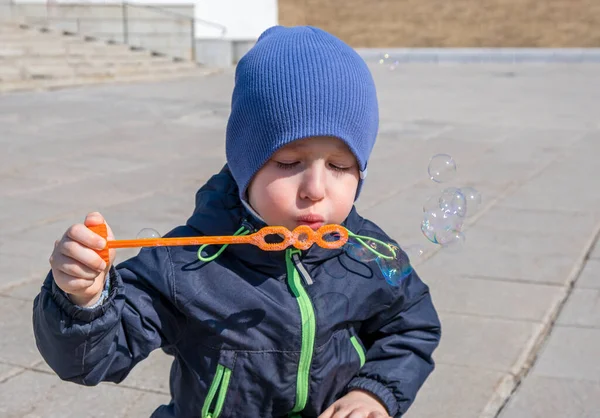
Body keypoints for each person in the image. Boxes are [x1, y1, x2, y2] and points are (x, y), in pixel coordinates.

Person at [33, 25, 441, 418]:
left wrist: (375, 392)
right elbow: (89, 361)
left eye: (339, 165)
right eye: (288, 162)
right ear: (246, 165)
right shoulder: (188, 263)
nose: (315, 188)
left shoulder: (368, 252)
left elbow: (411, 329)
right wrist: (84, 300)